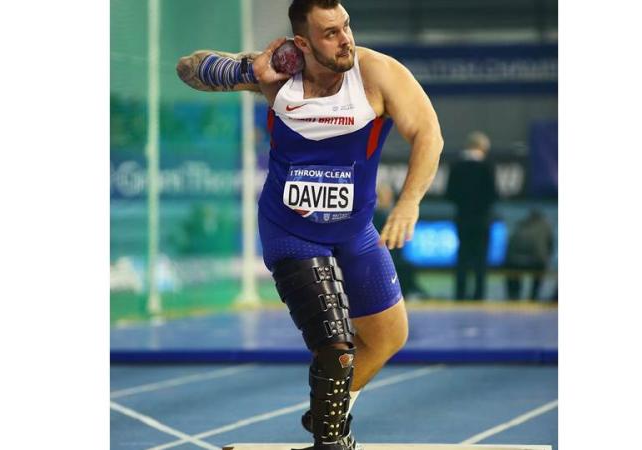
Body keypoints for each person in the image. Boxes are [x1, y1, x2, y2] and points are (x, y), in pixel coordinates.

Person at [176, 1, 443, 449]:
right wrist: (240, 69)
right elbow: (189, 68)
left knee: (389, 337)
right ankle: (332, 441)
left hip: (354, 230)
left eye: (346, 26)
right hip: (291, 230)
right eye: (330, 34)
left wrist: (409, 203)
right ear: (303, 43)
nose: (345, 40)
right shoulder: (278, 73)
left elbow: (429, 133)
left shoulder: (377, 73)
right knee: (336, 348)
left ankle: (327, 409)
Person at [445, 131, 497, 301]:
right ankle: (479, 295)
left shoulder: (457, 166)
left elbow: (449, 194)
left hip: (463, 219)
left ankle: (460, 294)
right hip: (482, 220)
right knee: (481, 259)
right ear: (482, 148)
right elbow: (493, 194)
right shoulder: (487, 167)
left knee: (463, 257)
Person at [372, 183, 429, 300]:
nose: (386, 198)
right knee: (403, 267)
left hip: (392, 257)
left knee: (406, 266)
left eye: (388, 195)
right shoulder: (377, 217)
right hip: (380, 259)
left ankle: (411, 291)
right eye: (383, 195)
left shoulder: (392, 216)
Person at [504, 209, 554, 301]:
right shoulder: (545, 227)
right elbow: (550, 247)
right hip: (536, 262)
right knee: (539, 270)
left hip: (515, 261)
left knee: (512, 272)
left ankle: (514, 297)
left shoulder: (520, 225)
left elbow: (510, 246)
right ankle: (533, 297)